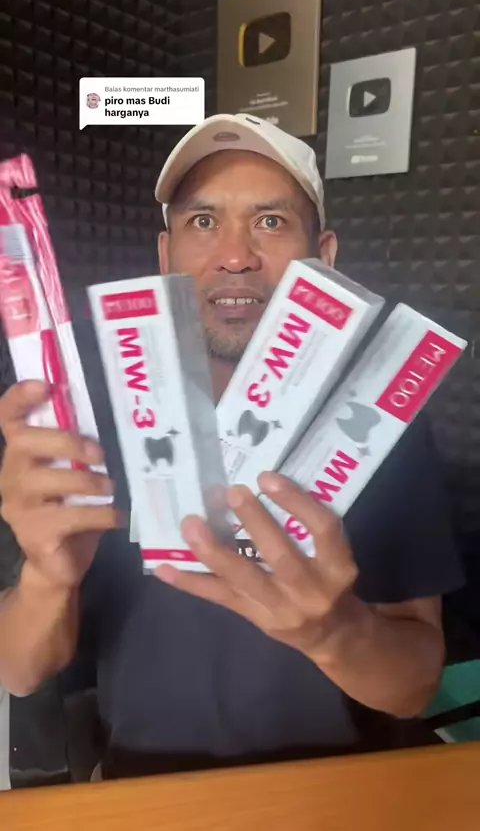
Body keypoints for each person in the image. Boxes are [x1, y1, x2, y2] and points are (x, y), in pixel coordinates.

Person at [0, 113, 464, 780]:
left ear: (323, 257)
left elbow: (413, 687)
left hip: (333, 792)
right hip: (141, 792)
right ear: (166, 256)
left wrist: (334, 633)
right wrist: (49, 580)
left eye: (270, 221)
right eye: (203, 221)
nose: (235, 255)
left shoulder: (376, 421)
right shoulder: (88, 423)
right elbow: (19, 673)